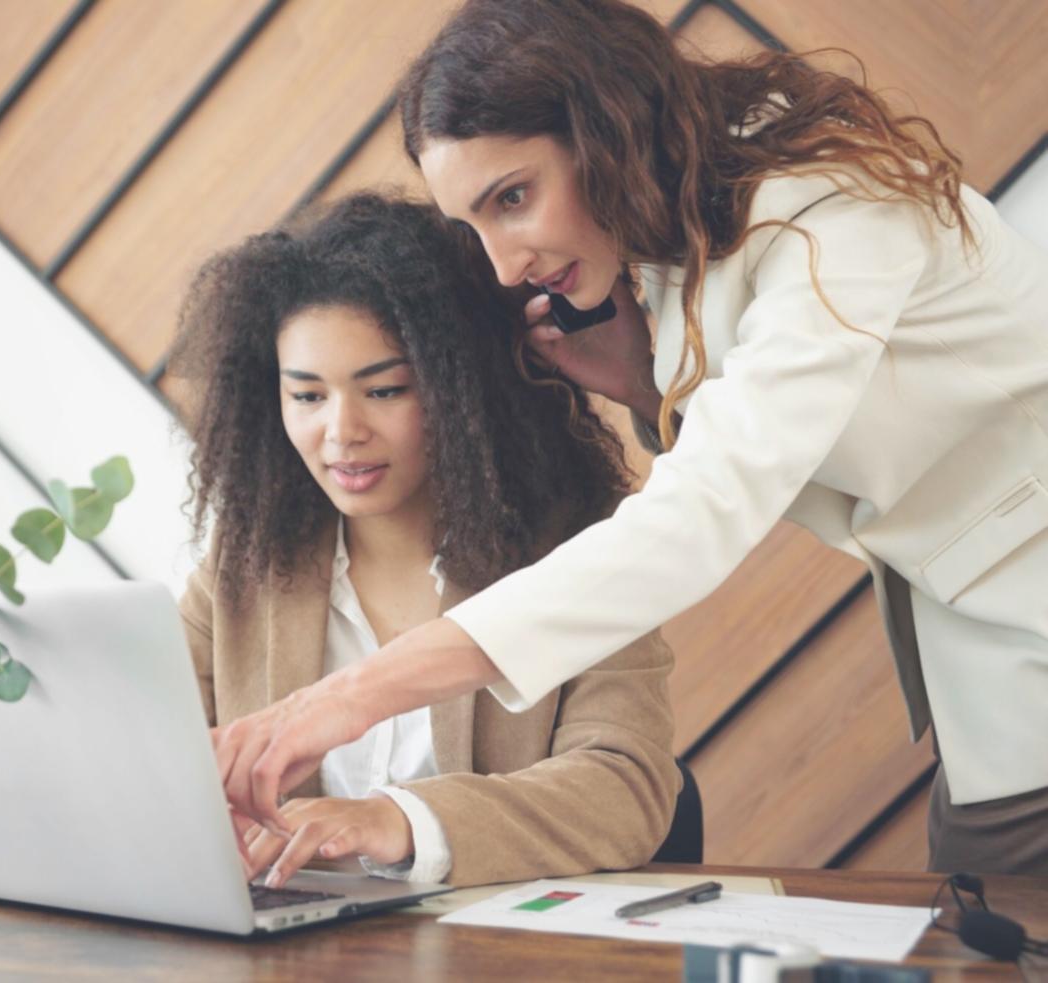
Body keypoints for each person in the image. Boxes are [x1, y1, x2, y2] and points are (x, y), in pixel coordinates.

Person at [211, 0, 1048, 876]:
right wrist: (644, 388)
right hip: (987, 648)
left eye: (513, 198)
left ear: (602, 130)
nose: (502, 263)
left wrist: (351, 696)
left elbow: (702, 514)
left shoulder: (830, 210)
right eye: (475, 223)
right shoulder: (681, 218)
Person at [169, 192, 681, 888]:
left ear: (459, 392)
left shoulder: (578, 554)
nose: (341, 431)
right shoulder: (243, 570)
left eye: (384, 391)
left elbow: (625, 789)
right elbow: (150, 765)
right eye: (308, 395)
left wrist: (397, 819)